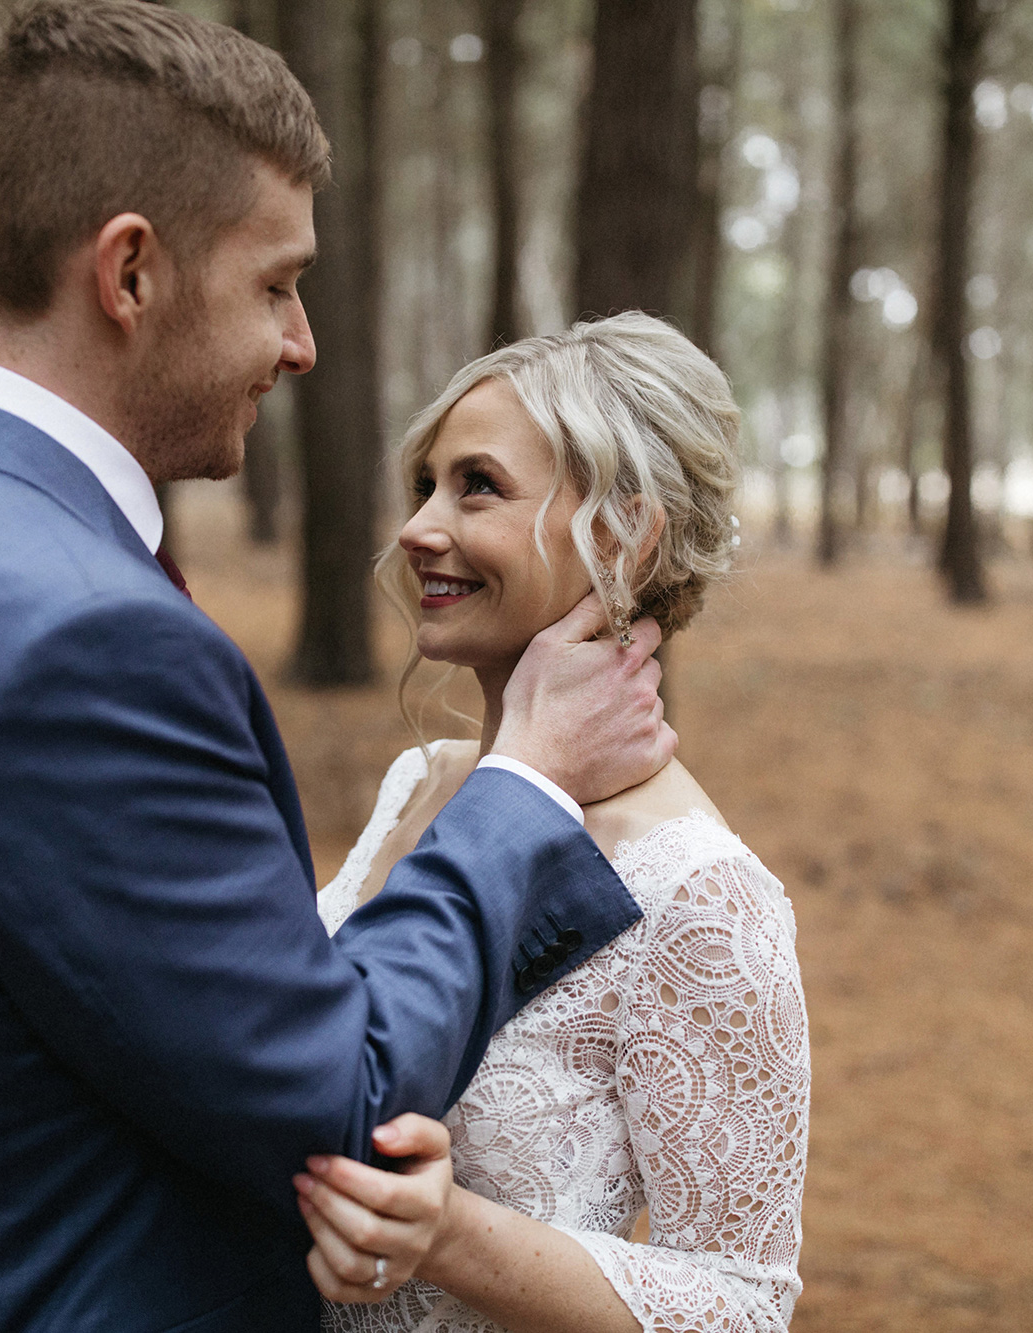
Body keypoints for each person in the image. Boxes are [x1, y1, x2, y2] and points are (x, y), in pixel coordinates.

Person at [0, 6, 674, 1330]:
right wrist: (523, 783)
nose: (299, 344)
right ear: (130, 273)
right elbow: (337, 1095)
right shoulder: (87, 642)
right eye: (274, 283)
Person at [301, 314, 811, 1332]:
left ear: (623, 536)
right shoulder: (421, 784)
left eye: (476, 485)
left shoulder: (699, 893)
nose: (416, 528)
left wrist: (447, 1236)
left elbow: (742, 1307)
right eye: (424, 485)